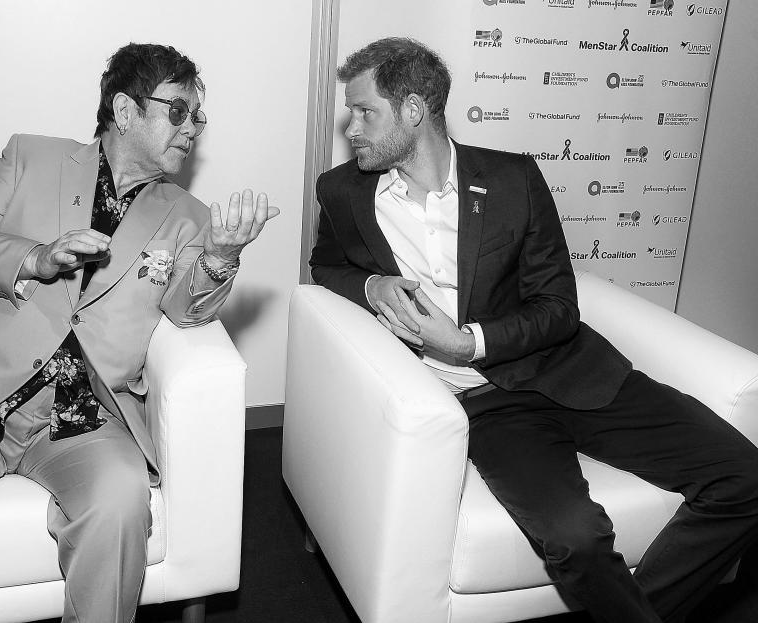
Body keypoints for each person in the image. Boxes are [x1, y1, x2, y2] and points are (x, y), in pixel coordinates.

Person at [310, 37, 758, 623]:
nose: (353, 128)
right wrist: (371, 287)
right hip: (486, 404)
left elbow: (558, 307)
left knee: (745, 479)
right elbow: (326, 265)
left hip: (572, 370)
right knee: (577, 539)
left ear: (414, 110)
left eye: (365, 111)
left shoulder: (513, 180)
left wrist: (467, 341)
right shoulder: (345, 192)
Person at [0, 42, 277, 623]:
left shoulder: (188, 215)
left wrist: (221, 255)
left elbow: (187, 310)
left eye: (198, 116)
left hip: (83, 417)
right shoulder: (32, 159)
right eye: (178, 111)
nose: (192, 128)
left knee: (121, 505)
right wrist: (35, 258)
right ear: (125, 111)